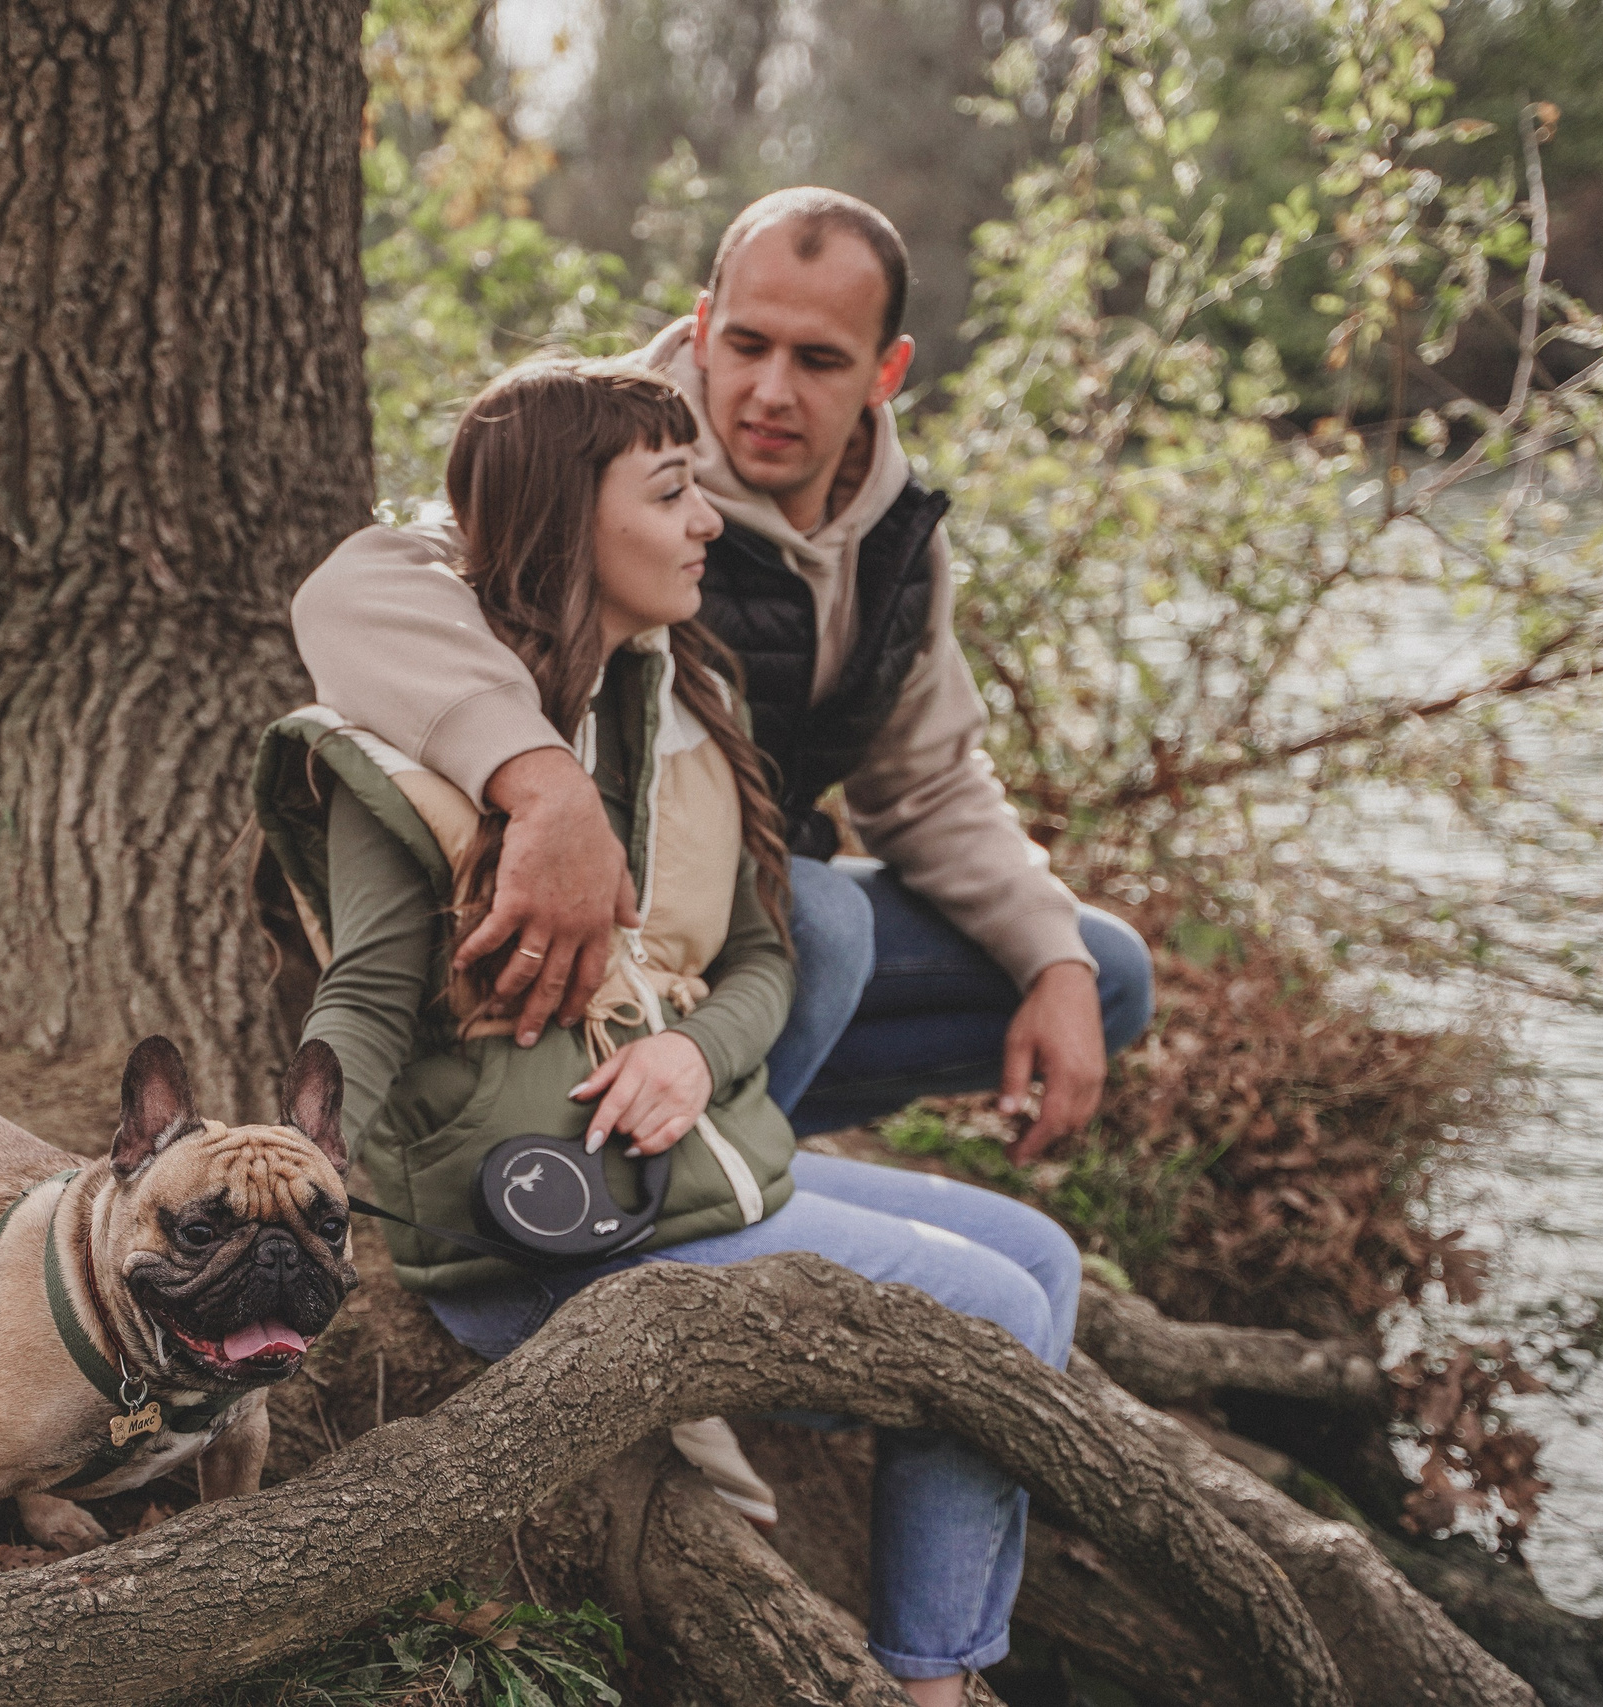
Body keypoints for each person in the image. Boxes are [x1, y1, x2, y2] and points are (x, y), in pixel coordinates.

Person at [254, 358, 1079, 1706]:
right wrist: (290, 1166)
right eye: (673, 489)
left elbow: (761, 957)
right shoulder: (403, 756)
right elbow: (357, 997)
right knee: (986, 1309)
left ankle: (942, 1656)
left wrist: (694, 1052)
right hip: (538, 1225)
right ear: (569, 517)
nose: (709, 521)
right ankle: (933, 1686)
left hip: (693, 1168)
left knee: (1037, 1253)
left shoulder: (687, 694)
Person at [292, 187, 1152, 1155]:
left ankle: (730, 1150)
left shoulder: (895, 540)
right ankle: (645, 1193)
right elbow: (354, 590)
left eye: (819, 360)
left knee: (1102, 967)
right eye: (745, 345)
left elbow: (929, 786)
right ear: (702, 326)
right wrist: (546, 789)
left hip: (735, 929)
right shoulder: (604, 448)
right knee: (821, 924)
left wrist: (1054, 964)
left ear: (888, 370)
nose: (771, 391)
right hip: (577, 947)